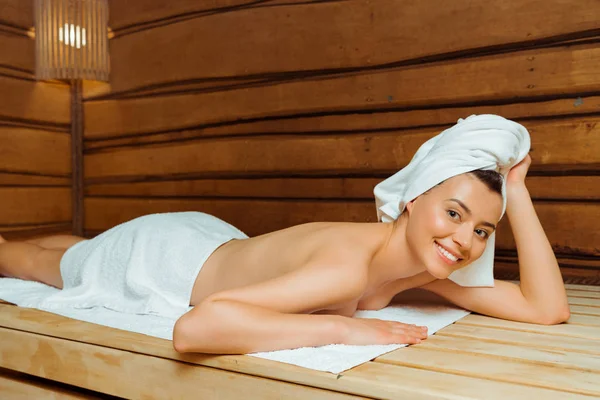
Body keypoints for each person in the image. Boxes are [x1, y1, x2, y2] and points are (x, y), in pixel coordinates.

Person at [0, 152, 570, 355]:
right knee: (30, 260)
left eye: (482, 231)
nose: (465, 240)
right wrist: (346, 333)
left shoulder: (422, 268)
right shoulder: (348, 263)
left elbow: (546, 308)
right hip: (159, 259)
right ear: (413, 200)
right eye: (454, 213)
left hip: (212, 238)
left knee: (71, 244)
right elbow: (197, 327)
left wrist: (516, 193)